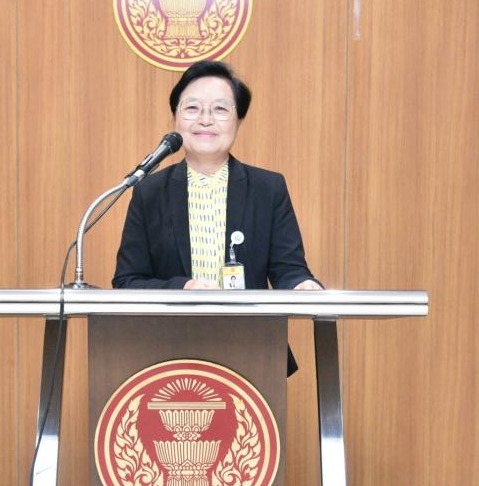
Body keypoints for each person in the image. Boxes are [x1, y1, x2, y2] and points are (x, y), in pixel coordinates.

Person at [112, 62, 322, 377]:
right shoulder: (149, 191)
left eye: (220, 109)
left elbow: (288, 269)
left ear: (239, 119)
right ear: (175, 117)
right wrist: (183, 288)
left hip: (253, 351)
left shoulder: (268, 188)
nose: (205, 119)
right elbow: (127, 282)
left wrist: (302, 285)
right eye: (192, 108)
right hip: (163, 355)